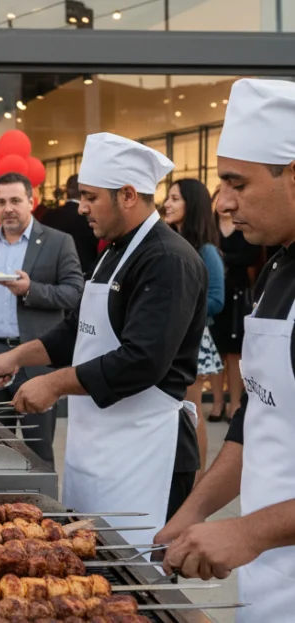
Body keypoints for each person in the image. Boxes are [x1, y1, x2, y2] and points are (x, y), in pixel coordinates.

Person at [0, 134, 206, 545]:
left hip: (142, 451)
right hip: (96, 445)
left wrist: (53, 384)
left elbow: (142, 359)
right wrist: (16, 356)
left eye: (89, 197)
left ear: (129, 195)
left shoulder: (168, 260)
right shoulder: (113, 250)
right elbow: (76, 331)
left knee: (132, 583)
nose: (80, 208)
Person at [156, 79, 295, 621]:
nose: (224, 203)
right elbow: (255, 417)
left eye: (238, 182)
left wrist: (249, 531)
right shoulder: (277, 267)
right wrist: (191, 513)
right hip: (270, 566)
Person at [0, 172, 84, 466]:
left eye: (16, 200)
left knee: (37, 454)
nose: (8, 208)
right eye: (1, 202)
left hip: (36, 361)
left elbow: (75, 293)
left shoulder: (58, 242)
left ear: (32, 201)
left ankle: (38, 511)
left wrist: (31, 290)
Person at [163, 178, 225, 481]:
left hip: (192, 338)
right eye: (168, 198)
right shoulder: (169, 243)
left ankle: (197, 482)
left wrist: (181, 307)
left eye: (175, 198)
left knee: (192, 413)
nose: (167, 204)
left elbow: (216, 299)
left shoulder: (206, 250)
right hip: (170, 337)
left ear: (193, 204)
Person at [209, 188, 260, 423]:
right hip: (215, 296)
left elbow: (251, 256)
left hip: (238, 295)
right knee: (216, 351)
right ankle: (217, 402)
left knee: (235, 352)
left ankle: (235, 403)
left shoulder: (243, 225)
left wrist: (222, 258)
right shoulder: (209, 229)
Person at [40, 175, 99, 276]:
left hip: (50, 275)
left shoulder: (48, 215)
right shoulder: (90, 217)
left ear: (67, 190)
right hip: (83, 274)